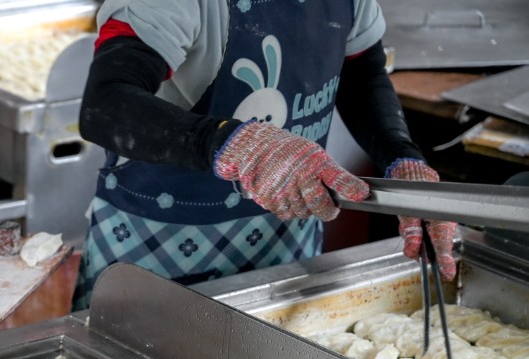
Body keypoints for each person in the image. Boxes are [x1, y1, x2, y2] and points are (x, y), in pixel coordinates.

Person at [73, 0, 458, 309]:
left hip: (287, 241)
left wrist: (401, 160)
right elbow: (106, 105)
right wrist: (234, 143)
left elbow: (363, 74)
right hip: (155, 249)